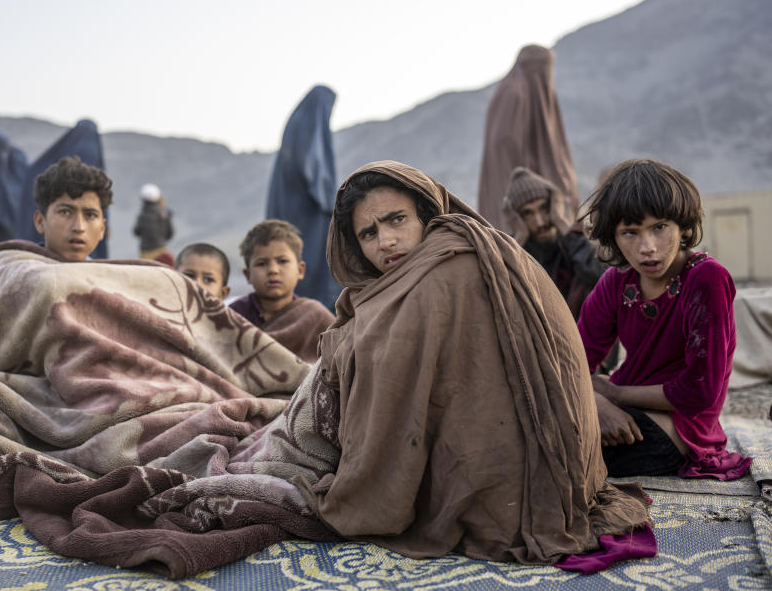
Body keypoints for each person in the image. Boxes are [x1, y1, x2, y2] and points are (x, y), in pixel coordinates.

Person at [310, 160, 652, 569]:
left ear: (425, 214)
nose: (386, 241)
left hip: (505, 484)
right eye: (369, 233)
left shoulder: (448, 267)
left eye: (397, 220)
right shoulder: (415, 276)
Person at [577, 158, 751, 480]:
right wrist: (596, 403)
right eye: (630, 232)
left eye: (659, 228)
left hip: (681, 430)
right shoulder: (617, 282)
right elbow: (573, 359)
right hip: (621, 409)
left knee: (563, 456)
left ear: (682, 226)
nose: (647, 248)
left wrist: (613, 394)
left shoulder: (706, 279)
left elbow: (699, 391)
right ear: (614, 237)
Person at [477, 45, 578, 231]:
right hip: (515, 198)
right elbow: (504, 140)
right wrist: (528, 182)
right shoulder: (515, 93)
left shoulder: (517, 90)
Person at [266, 85, 342, 310]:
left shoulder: (294, 130)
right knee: (312, 273)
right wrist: (331, 201)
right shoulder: (308, 130)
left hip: (295, 217)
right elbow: (312, 169)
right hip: (310, 218)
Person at [503, 167, 606, 319]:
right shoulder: (510, 248)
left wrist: (562, 224)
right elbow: (503, 295)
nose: (540, 222)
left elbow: (598, 276)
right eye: (528, 213)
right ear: (517, 219)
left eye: (544, 208)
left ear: (554, 206)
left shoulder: (574, 240)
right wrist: (519, 241)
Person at [229, 219, 334, 363]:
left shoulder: (315, 316)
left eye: (282, 261)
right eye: (262, 263)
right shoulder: (234, 315)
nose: (273, 270)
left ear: (300, 270)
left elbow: (340, 360)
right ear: (248, 275)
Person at [32, 156, 112, 262]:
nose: (79, 227)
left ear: (102, 228)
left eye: (90, 215)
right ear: (40, 222)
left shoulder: (108, 277)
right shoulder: (16, 273)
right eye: (65, 212)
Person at [133, 183, 173, 260]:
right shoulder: (164, 214)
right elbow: (170, 233)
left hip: (145, 252)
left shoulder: (142, 216)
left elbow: (136, 231)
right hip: (161, 250)